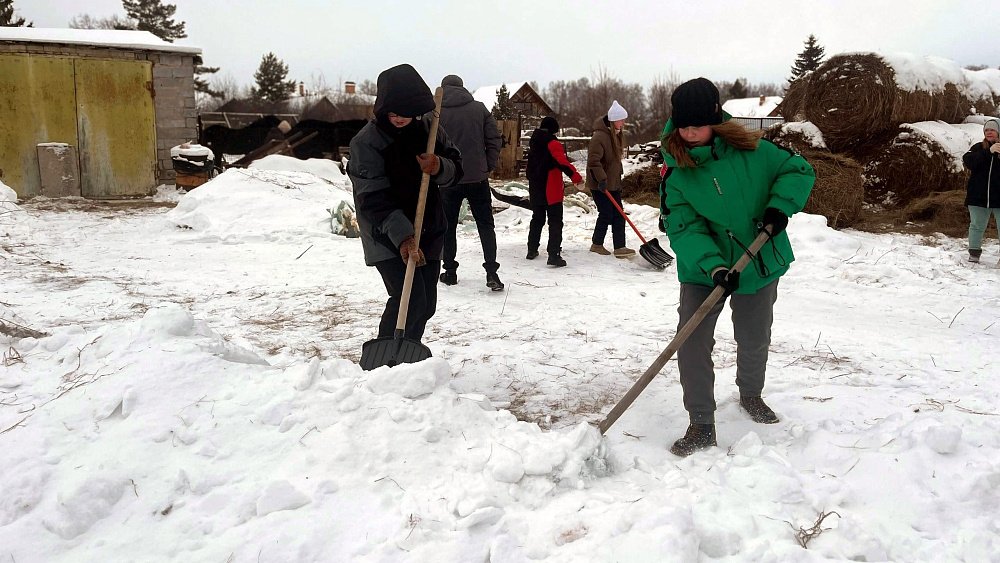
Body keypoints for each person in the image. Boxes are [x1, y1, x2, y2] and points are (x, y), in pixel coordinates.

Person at [659, 77, 815, 457]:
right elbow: (683, 227)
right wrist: (713, 267)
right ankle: (701, 423)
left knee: (754, 336)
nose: (690, 132)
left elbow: (798, 171)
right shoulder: (677, 173)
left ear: (716, 118)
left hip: (758, 261)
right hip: (704, 271)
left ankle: (751, 394)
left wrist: (780, 207)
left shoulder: (755, 150)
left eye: (698, 123)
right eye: (683, 125)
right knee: (692, 343)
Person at [348, 64, 463, 342]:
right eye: (394, 112)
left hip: (429, 228)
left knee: (425, 306)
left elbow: (457, 168)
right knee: (409, 300)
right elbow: (372, 197)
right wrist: (403, 237)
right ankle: (387, 359)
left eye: (407, 113)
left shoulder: (430, 130)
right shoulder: (367, 142)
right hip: (386, 234)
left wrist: (439, 166)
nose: (400, 118)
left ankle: (408, 356)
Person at [437, 75, 504, 290]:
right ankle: (492, 272)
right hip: (477, 176)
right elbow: (494, 139)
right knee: (485, 225)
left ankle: (449, 271)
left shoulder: (436, 111)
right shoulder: (479, 109)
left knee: (448, 227)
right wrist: (488, 165)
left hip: (448, 178)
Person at [525, 116, 582, 267]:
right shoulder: (552, 143)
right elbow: (562, 162)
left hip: (536, 186)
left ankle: (532, 249)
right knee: (555, 221)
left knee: (537, 219)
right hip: (551, 188)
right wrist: (576, 177)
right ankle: (554, 254)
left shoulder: (534, 141)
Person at [587, 100, 635, 258]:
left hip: (613, 183)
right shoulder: (599, 137)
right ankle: (597, 244)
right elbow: (594, 161)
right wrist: (601, 179)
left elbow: (614, 161)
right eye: (621, 120)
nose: (623, 122)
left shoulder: (615, 135)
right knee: (606, 213)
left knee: (619, 214)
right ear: (613, 120)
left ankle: (620, 247)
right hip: (600, 184)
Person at [962, 118, 1000, 263]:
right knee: (977, 225)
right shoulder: (978, 147)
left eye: (992, 129)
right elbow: (969, 161)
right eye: (986, 130)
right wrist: (988, 152)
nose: (989, 132)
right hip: (978, 196)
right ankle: (974, 254)